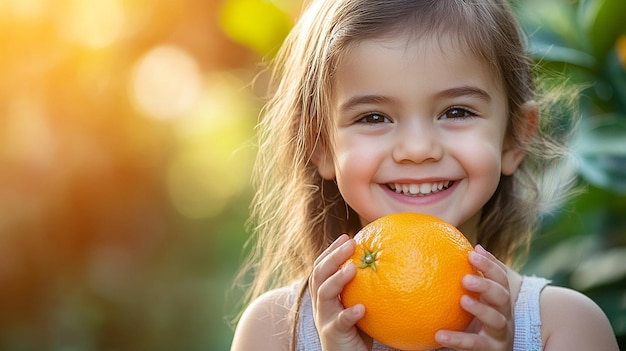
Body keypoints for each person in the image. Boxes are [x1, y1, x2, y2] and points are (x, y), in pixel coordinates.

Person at [230, 0, 619, 350]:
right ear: (321, 146)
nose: (417, 150)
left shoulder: (565, 329)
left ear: (515, 137)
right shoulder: (275, 333)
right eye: (374, 117)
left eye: (456, 112)